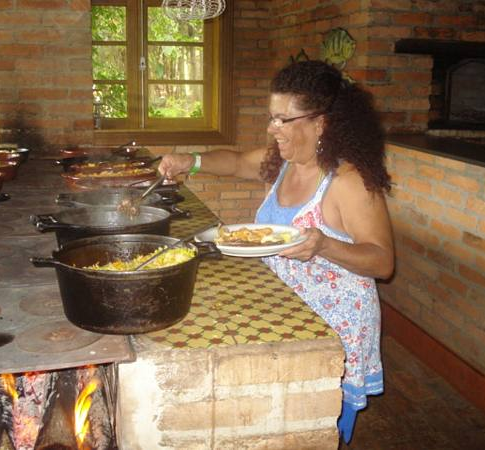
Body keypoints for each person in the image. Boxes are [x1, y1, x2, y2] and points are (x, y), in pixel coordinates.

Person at [158, 60, 394, 443]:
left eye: (283, 120)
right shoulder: (284, 163)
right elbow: (234, 162)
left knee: (318, 424)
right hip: (290, 311)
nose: (272, 129)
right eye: (272, 118)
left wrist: (324, 244)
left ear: (322, 123)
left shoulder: (348, 182)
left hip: (335, 327)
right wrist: (191, 161)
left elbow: (383, 262)